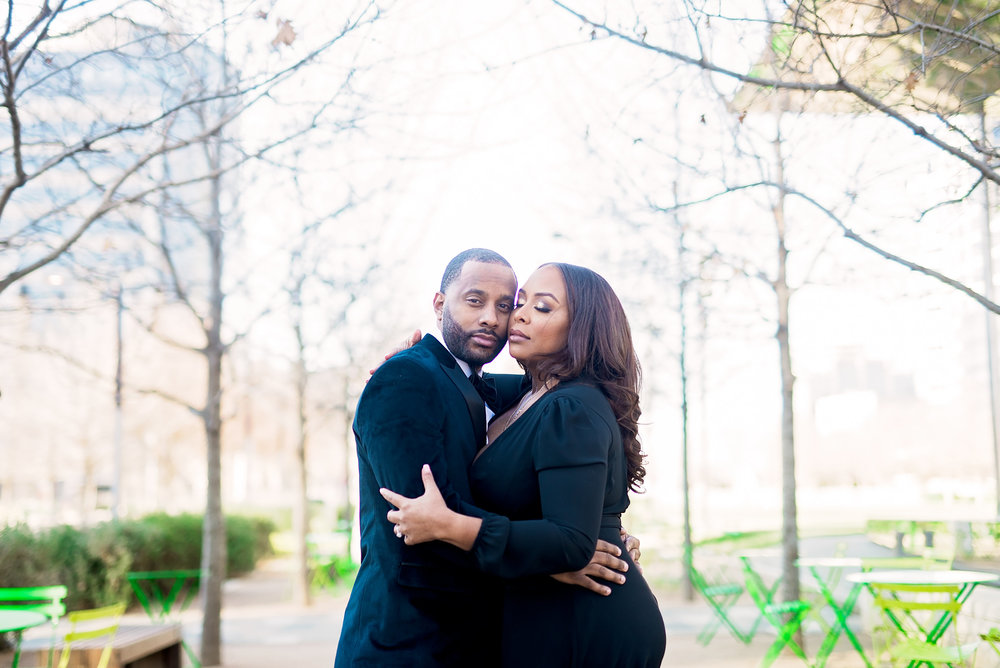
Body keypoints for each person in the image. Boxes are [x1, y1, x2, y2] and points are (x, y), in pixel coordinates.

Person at [335, 249, 635, 668]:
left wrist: (595, 524)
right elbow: (424, 520)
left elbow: (562, 406)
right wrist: (552, 560)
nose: (492, 319)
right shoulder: (405, 379)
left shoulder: (499, 391)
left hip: (480, 639)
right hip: (409, 641)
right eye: (474, 301)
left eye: (503, 305)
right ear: (440, 304)